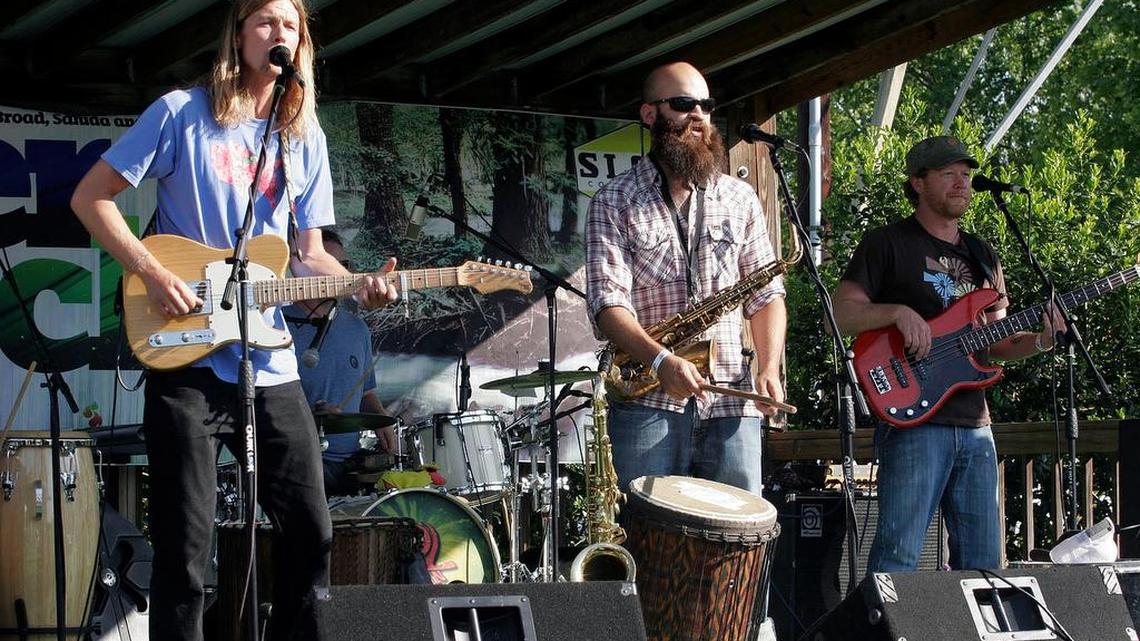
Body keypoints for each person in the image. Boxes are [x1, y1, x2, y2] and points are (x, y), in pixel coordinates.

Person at [69, 1, 397, 639]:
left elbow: (306, 257)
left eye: (291, 25)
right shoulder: (180, 113)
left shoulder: (305, 135)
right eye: (267, 20)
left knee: (311, 529)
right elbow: (92, 197)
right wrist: (152, 271)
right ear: (240, 32)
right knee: (184, 552)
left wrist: (358, 287)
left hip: (267, 360)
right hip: (186, 355)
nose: (280, 34)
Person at [832, 135, 1062, 572]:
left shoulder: (983, 255)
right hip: (914, 420)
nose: (963, 184)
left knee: (984, 560)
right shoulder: (887, 243)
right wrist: (898, 312)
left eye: (967, 175)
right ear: (918, 182)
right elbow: (839, 315)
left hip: (976, 426)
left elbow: (994, 342)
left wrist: (1041, 340)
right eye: (949, 174)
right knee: (899, 555)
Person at [585, 62, 787, 495]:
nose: (698, 115)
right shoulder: (614, 200)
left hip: (732, 397)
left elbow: (767, 294)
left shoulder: (740, 197)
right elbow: (607, 303)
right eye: (683, 104)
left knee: (737, 546)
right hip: (649, 400)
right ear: (650, 114)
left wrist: (769, 367)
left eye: (706, 105)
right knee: (649, 539)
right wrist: (661, 360)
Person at [284, 228, 398, 497]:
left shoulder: (357, 329)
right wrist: (313, 415)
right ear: (301, 268)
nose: (337, 273)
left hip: (351, 466)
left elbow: (367, 391)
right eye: (328, 264)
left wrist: (381, 420)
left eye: (343, 266)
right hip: (297, 463)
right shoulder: (275, 325)